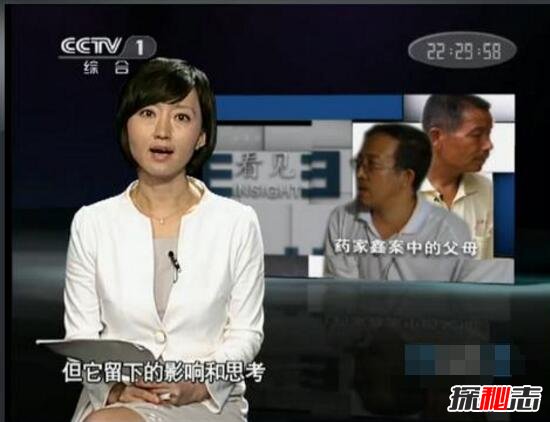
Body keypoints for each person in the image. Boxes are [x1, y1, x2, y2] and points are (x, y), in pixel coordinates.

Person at [63, 57, 265, 422]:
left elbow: (246, 333)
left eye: (181, 117)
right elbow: (81, 336)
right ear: (127, 126)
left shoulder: (236, 222)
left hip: (206, 402)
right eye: (148, 113)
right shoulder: (92, 223)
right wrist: (114, 388)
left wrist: (198, 384)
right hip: (117, 398)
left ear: (202, 135)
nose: (162, 131)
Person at [323, 124, 473, 281]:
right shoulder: (343, 219)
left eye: (373, 165)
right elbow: (342, 292)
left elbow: (457, 295)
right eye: (359, 163)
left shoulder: (448, 232)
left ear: (406, 177)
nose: (360, 174)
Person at [421, 95, 494, 259]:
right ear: (436, 137)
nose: (488, 145)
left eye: (488, 134)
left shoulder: (489, 192)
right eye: (477, 135)